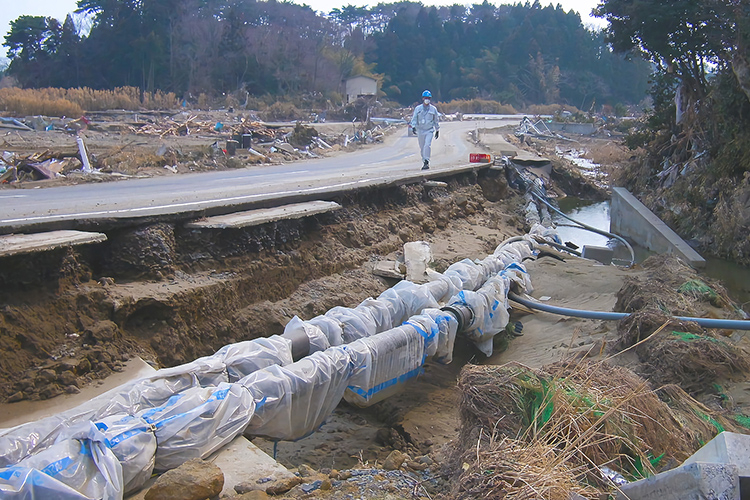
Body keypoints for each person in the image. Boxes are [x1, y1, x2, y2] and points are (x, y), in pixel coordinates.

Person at [410, 90, 440, 170]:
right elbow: (414, 118)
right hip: (420, 130)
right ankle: (424, 160)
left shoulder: (433, 109)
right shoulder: (418, 109)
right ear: (423, 98)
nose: (427, 99)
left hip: (429, 130)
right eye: (426, 98)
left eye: (429, 98)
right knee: (422, 147)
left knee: (427, 145)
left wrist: (437, 130)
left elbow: (436, 120)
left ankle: (427, 161)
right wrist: (413, 127)